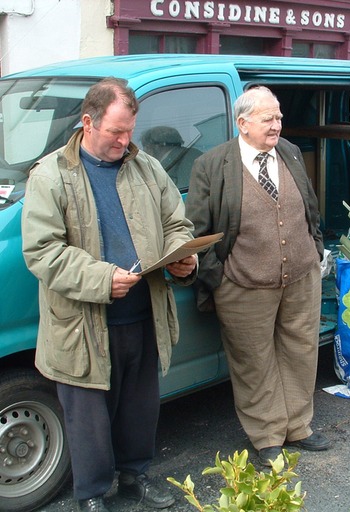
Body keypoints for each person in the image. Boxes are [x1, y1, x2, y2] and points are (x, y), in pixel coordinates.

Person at [21, 77, 197, 512]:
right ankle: (92, 495)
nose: (125, 140)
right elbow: (42, 252)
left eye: (130, 130)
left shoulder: (148, 168)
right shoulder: (50, 176)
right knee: (89, 421)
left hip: (142, 314)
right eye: (116, 131)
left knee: (140, 410)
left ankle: (135, 479)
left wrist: (182, 258)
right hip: (82, 323)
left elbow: (176, 222)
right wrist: (101, 278)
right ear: (87, 122)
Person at [185, 85, 331, 467]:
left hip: (300, 276)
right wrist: (220, 276)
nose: (277, 124)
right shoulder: (212, 165)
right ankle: (268, 435)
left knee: (300, 351)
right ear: (243, 123)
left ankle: (299, 426)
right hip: (243, 284)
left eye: (279, 116)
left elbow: (309, 208)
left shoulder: (291, 153)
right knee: (254, 360)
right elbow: (198, 230)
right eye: (268, 118)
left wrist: (314, 250)